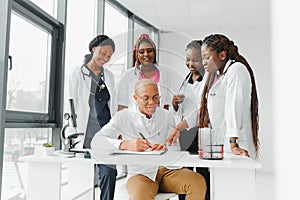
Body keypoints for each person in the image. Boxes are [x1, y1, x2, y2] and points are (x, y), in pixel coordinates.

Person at [91, 79, 207, 200]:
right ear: (135, 98)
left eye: (155, 97)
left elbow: (174, 147)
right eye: (146, 98)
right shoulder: (122, 117)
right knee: (141, 194)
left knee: (197, 181)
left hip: (167, 171)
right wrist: (125, 144)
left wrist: (165, 148)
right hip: (140, 174)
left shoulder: (166, 115)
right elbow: (96, 141)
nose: (152, 102)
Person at [165, 33, 260, 159]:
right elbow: (202, 112)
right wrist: (178, 128)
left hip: (237, 146)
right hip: (222, 147)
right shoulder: (214, 77)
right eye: (203, 58)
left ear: (222, 55)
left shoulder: (236, 70)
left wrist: (233, 143)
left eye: (206, 57)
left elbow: (234, 108)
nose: (203, 63)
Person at [67, 35, 117, 200]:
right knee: (84, 178)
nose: (105, 58)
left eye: (109, 56)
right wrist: (74, 133)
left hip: (105, 133)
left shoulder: (108, 76)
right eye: (103, 53)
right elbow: (71, 103)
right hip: (85, 131)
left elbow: (113, 104)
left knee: (109, 173)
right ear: (94, 48)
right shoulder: (78, 72)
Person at [170, 40, 210, 200]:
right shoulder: (185, 80)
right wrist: (174, 105)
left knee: (203, 172)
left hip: (201, 132)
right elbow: (180, 111)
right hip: (185, 133)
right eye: (187, 59)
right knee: (184, 172)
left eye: (195, 60)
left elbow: (201, 109)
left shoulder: (208, 80)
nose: (190, 64)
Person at [115, 33, 180, 112]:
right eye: (142, 52)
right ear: (137, 55)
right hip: (134, 122)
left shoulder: (165, 75)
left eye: (149, 51)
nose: (146, 54)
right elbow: (122, 106)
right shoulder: (128, 76)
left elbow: (167, 105)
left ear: (154, 53)